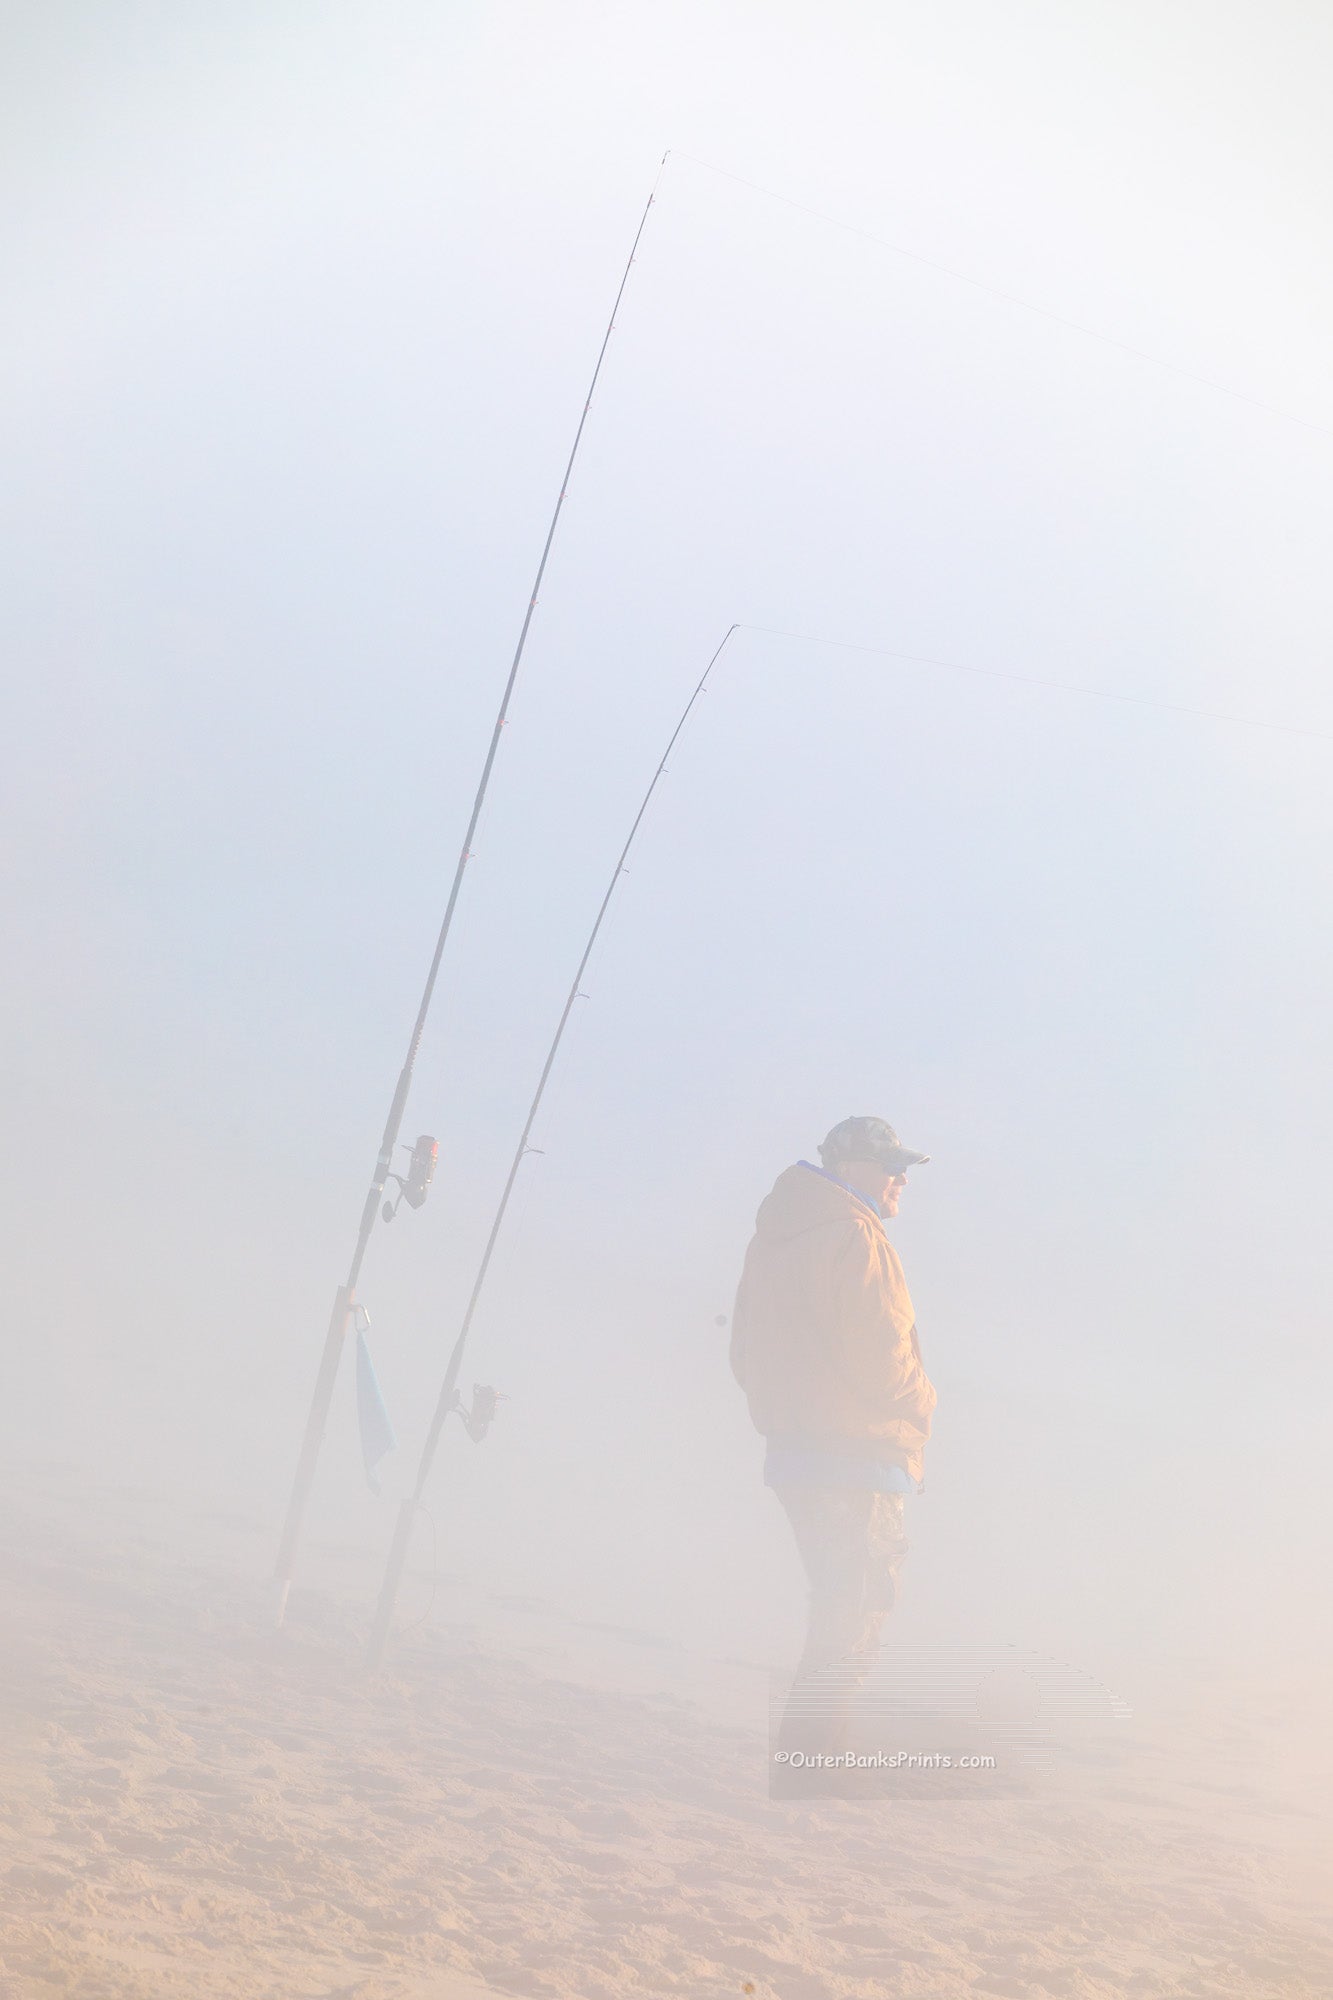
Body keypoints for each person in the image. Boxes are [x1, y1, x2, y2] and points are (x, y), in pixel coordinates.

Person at [729, 1115, 937, 1769]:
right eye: (890, 1165)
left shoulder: (778, 1235)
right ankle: (813, 1757)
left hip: (794, 1451)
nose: (902, 1179)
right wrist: (926, 1404)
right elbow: (882, 1360)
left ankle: (809, 1751)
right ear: (851, 1168)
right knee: (856, 1604)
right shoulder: (853, 1237)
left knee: (836, 1601)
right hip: (858, 1458)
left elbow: (743, 1348)